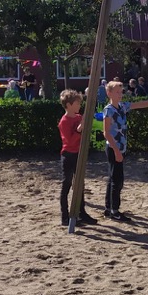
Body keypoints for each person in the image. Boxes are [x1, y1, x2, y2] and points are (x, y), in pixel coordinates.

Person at [103, 81, 148, 222]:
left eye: (121, 92)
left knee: (113, 178)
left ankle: (109, 208)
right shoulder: (108, 110)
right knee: (117, 181)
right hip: (113, 148)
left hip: (120, 148)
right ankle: (114, 211)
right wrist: (117, 151)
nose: (120, 95)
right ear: (109, 93)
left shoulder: (122, 106)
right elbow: (106, 133)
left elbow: (139, 104)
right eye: (117, 92)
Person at [58, 89, 97, 227]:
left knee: (80, 183)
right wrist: (79, 130)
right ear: (69, 105)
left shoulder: (78, 117)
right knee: (67, 183)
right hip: (68, 155)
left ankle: (82, 213)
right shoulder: (64, 121)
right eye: (77, 103)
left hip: (78, 154)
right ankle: (65, 216)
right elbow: (69, 141)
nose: (79, 105)